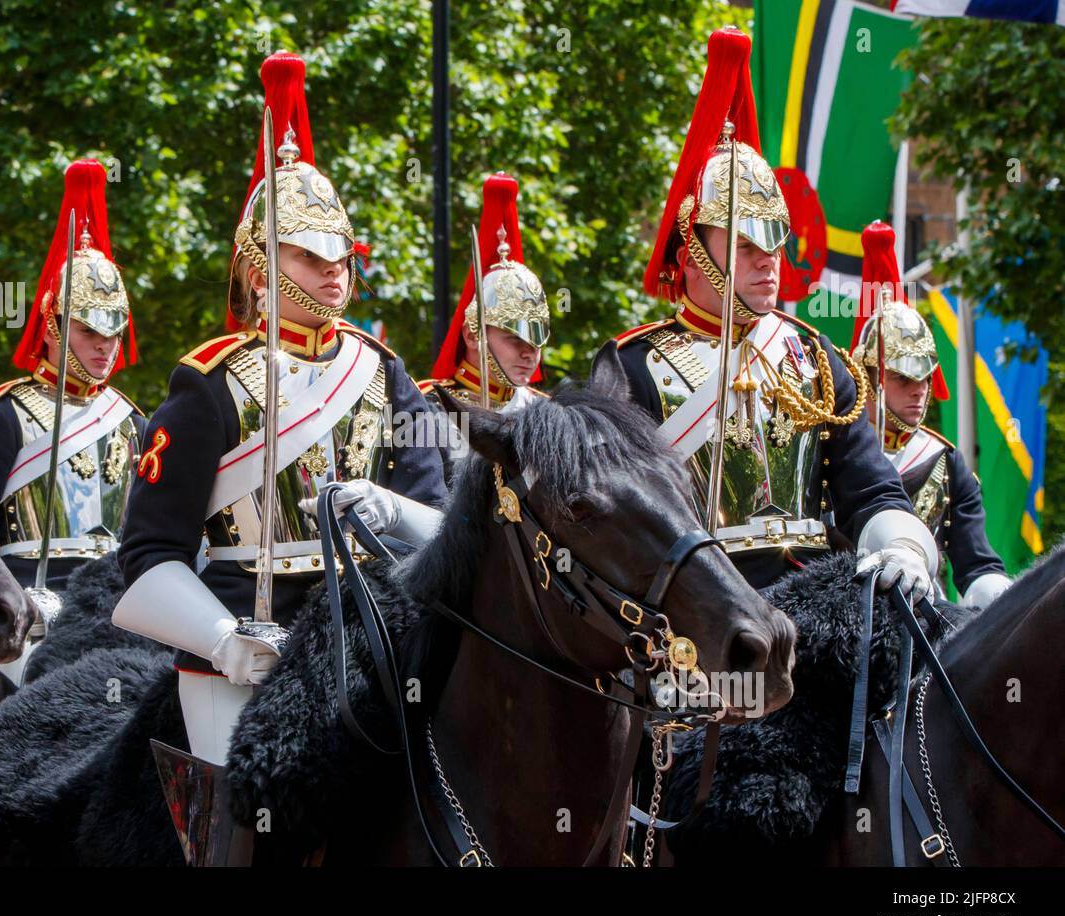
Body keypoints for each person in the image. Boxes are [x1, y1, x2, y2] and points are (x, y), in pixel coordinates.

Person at [111, 51, 447, 865]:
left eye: (338, 251)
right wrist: (226, 641)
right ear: (262, 265)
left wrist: (382, 505)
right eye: (307, 254)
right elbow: (148, 554)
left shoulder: (382, 370)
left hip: (362, 640)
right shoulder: (209, 381)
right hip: (239, 651)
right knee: (240, 838)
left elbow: (438, 517)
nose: (333, 270)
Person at [607, 27, 936, 601]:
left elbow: (870, 492)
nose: (769, 263)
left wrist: (903, 546)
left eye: (776, 244)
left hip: (812, 605)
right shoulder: (632, 367)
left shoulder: (814, 357)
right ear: (692, 253)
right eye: (745, 246)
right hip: (693, 615)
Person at [0, 159, 145, 605]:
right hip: (26, 599)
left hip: (121, 601)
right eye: (88, 331)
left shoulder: (132, 420)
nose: (105, 346)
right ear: (53, 327)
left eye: (112, 332)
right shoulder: (2, 415)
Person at [850, 222, 1011, 609]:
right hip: (844, 612)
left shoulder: (946, 462)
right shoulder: (833, 445)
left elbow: (976, 563)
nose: (920, 389)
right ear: (869, 377)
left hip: (927, 617)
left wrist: (1001, 597)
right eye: (904, 377)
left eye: (924, 376)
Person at [417, 174, 549, 484]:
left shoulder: (543, 410)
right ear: (472, 335)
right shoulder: (426, 406)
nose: (529, 352)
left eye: (536, 337)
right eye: (514, 337)